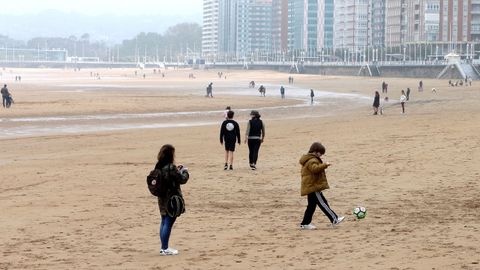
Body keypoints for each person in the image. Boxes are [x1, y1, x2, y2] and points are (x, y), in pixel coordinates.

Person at [299, 142, 345, 229]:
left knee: (311, 206)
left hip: (311, 186)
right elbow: (315, 169)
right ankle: (334, 219)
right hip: (313, 187)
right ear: (315, 152)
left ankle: (305, 223)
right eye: (321, 153)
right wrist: (325, 165)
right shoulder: (312, 160)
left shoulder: (309, 159)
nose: (321, 156)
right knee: (323, 203)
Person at [154, 144, 189, 256]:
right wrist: (185, 172)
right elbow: (182, 179)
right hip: (172, 198)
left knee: (164, 221)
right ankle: (164, 248)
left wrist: (177, 170)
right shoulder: (170, 167)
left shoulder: (158, 166)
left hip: (162, 198)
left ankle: (163, 247)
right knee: (168, 222)